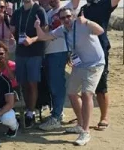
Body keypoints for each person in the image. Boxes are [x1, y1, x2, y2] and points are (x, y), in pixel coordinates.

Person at [35, 7, 106, 145]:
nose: (66, 20)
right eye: (63, 18)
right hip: (79, 65)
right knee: (72, 93)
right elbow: (44, 37)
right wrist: (38, 26)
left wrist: (87, 22)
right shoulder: (62, 30)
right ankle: (80, 124)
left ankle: (85, 132)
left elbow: (100, 31)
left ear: (73, 16)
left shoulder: (82, 24)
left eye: (68, 16)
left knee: (86, 95)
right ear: (60, 20)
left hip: (94, 64)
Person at [38, 0, 80, 131]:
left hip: (59, 51)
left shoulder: (66, 7)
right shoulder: (49, 12)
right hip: (49, 52)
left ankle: (56, 117)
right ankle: (58, 112)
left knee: (57, 84)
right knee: (52, 84)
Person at [82, 0, 122, 131]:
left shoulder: (104, 4)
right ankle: (83, 116)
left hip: (100, 50)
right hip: (84, 50)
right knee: (83, 85)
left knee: (101, 85)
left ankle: (104, 117)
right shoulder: (82, 9)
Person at [9, 0, 47, 128]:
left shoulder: (39, 10)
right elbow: (13, 30)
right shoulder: (17, 12)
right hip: (20, 52)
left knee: (32, 83)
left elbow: (44, 32)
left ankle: (31, 113)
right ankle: (27, 112)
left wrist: (32, 39)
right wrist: (11, 34)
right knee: (23, 83)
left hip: (35, 52)